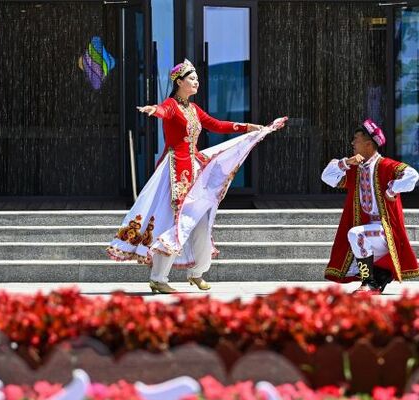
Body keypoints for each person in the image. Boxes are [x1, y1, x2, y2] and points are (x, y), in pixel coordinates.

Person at [107, 59, 286, 293]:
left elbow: (217, 124)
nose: (196, 83)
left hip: (194, 169)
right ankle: (158, 278)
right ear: (179, 82)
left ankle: (197, 272)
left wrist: (247, 126)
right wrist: (154, 110)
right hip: (174, 171)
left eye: (197, 79)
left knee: (200, 221)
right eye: (192, 79)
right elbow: (162, 110)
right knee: (173, 222)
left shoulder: (193, 109)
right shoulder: (171, 104)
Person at [321, 119, 419, 293]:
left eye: (356, 140)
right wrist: (345, 163)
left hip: (385, 231)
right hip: (370, 229)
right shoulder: (355, 168)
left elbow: (413, 175)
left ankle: (369, 282)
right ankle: (374, 278)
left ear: (368, 144)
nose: (352, 143)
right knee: (356, 235)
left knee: (356, 234)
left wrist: (393, 189)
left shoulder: (386, 165)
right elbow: (327, 177)